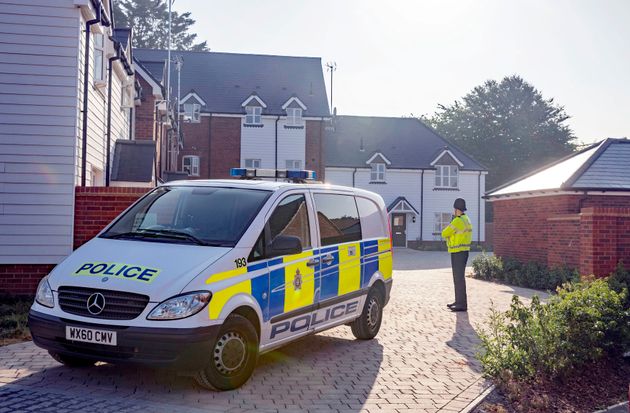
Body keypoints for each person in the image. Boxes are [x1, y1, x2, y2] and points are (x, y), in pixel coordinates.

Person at [441, 198, 473, 312]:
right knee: (459, 278)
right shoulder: (466, 219)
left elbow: (444, 233)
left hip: (458, 252)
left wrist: (451, 222)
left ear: (456, 209)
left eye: (454, 209)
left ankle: (461, 304)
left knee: (458, 278)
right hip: (464, 252)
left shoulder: (457, 221)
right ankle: (459, 301)